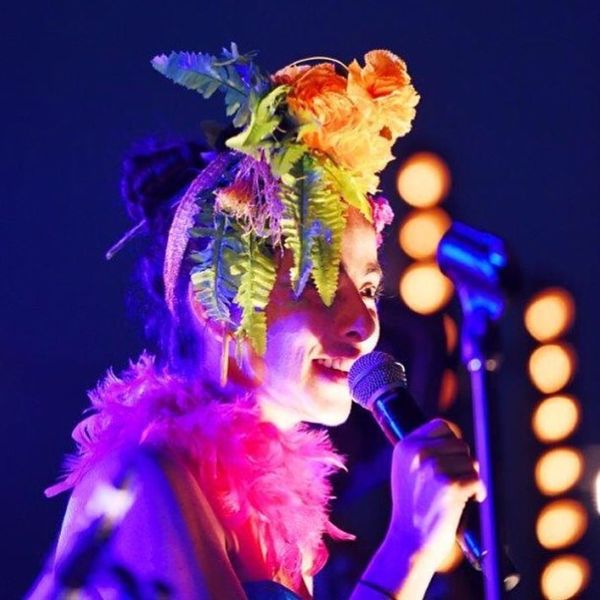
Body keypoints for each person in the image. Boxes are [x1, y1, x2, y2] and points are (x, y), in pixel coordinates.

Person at [42, 45, 485, 599]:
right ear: (219, 308)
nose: (365, 324)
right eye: (319, 282)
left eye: (370, 288)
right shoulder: (139, 481)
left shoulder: (281, 525)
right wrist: (410, 543)